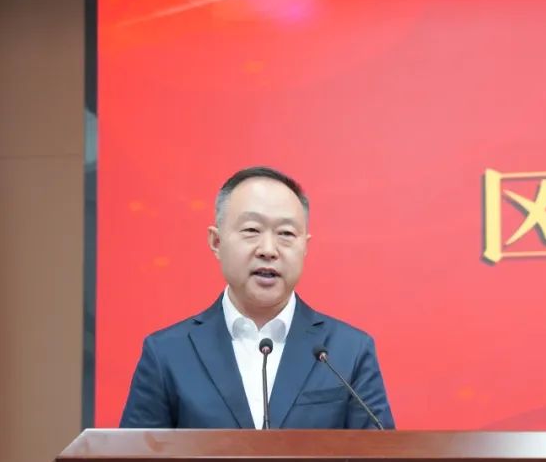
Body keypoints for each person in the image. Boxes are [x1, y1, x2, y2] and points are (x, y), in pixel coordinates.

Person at [119, 166, 395, 429]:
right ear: (216, 242)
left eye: (286, 234)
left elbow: (380, 458)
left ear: (305, 247)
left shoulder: (348, 351)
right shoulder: (167, 353)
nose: (268, 250)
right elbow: (135, 459)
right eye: (251, 230)